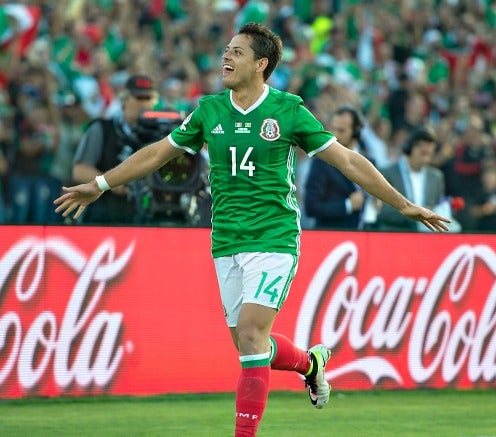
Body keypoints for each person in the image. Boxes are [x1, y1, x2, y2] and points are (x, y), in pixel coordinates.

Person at [54, 23, 450, 437]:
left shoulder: (289, 110)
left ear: (261, 64)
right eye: (227, 50)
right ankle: (311, 364)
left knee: (251, 333)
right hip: (225, 239)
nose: (226, 58)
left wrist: (402, 204)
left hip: (274, 236)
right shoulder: (209, 110)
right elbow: (157, 154)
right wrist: (100, 185)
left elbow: (348, 161)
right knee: (250, 346)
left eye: (237, 52)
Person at [71, 74, 159, 224]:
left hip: (146, 217)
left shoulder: (159, 133)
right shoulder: (102, 128)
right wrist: (112, 182)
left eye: (148, 98)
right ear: (124, 99)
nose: (144, 104)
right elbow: (79, 171)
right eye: (138, 98)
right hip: (104, 216)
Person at [304, 105, 372, 230]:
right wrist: (348, 205)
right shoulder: (321, 162)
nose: (334, 135)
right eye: (333, 129)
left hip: (365, 237)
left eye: (341, 130)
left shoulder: (369, 161)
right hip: (332, 238)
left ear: (355, 132)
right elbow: (311, 207)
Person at [376, 126, 447, 232]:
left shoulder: (436, 177)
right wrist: (415, 213)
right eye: (423, 153)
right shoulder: (387, 173)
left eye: (430, 155)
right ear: (409, 148)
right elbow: (382, 211)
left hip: (427, 239)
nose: (426, 159)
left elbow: (439, 206)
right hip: (395, 234)